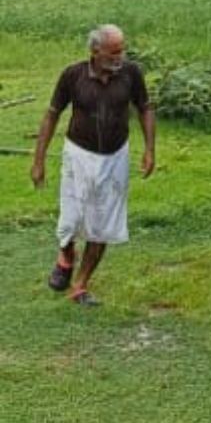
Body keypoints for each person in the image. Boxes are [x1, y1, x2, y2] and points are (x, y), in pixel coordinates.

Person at [32, 25, 156, 306]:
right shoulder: (73, 75)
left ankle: (80, 285)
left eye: (122, 50)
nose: (119, 57)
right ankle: (65, 256)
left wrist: (149, 149)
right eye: (113, 51)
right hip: (79, 156)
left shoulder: (131, 73)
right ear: (95, 51)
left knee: (103, 225)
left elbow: (146, 108)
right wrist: (38, 160)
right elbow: (51, 116)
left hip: (115, 158)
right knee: (71, 219)